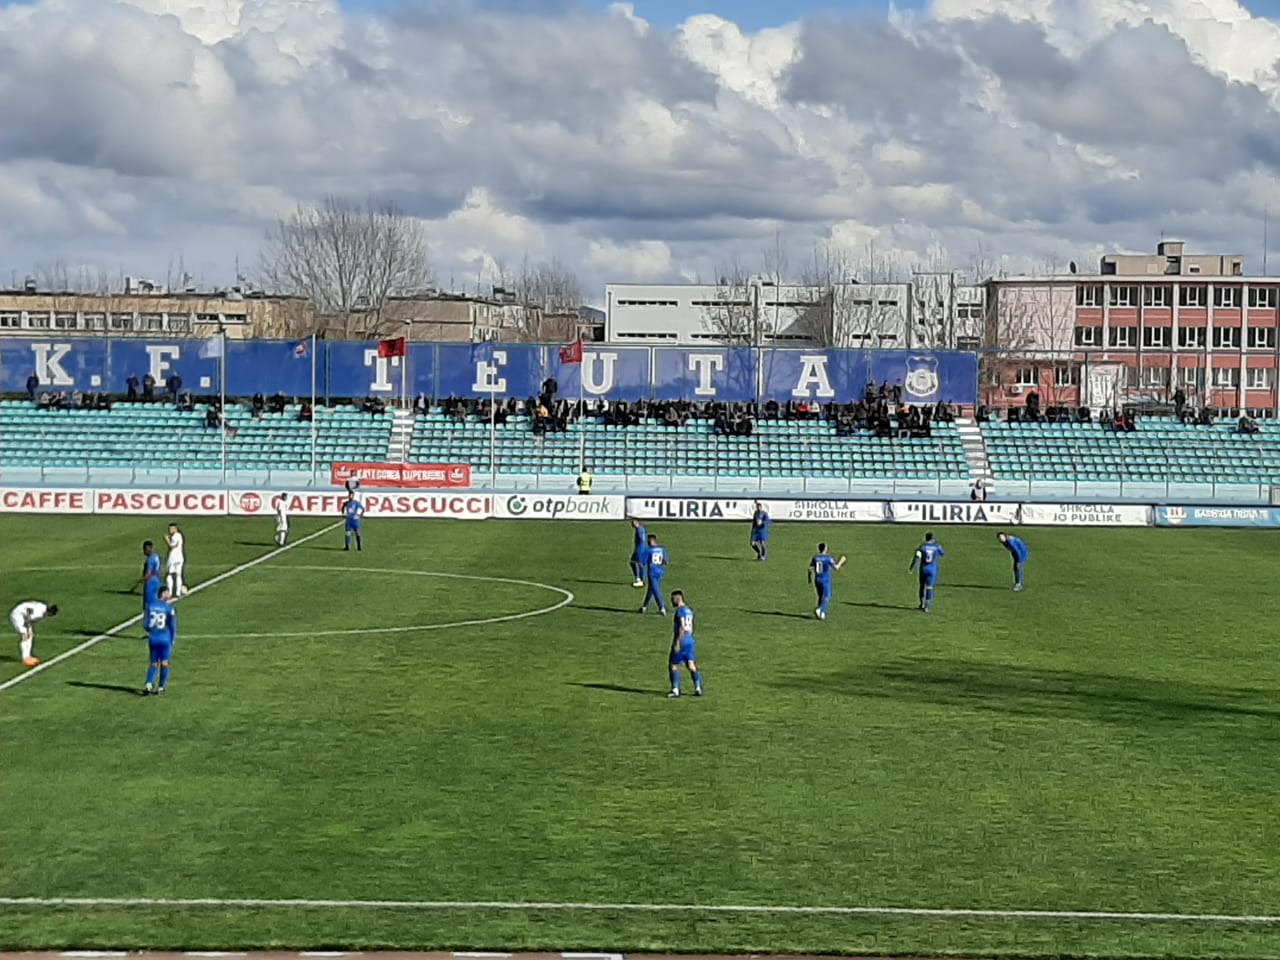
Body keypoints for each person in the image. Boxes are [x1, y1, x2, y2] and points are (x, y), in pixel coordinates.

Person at [666, 590, 703, 699]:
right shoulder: (689, 610)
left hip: (682, 640)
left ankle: (675, 689)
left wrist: (678, 642)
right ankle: (698, 687)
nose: (671, 601)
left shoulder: (680, 611)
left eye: (673, 599)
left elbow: (682, 627)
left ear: (678, 598)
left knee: (673, 665)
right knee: (691, 665)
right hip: (690, 640)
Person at [142, 585, 177, 696]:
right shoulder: (169, 609)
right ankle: (161, 686)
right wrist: (172, 639)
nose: (169, 595)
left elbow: (146, 625)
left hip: (153, 638)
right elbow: (172, 626)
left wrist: (151, 630)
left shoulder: (150, 606)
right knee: (165, 663)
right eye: (168, 593)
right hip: (165, 639)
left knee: (153, 663)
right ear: (164, 594)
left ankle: (148, 684)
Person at [9, 600, 58, 668]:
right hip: (17, 616)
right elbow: (29, 618)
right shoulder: (39, 613)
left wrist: (30, 629)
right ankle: (25, 658)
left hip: (24, 616)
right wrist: (28, 628)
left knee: (30, 635)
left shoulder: (43, 606)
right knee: (25, 635)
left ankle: (28, 656)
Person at [808, 542, 846, 620]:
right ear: (825, 548)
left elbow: (810, 569)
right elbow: (836, 567)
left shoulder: (815, 557)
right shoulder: (828, 558)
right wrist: (841, 561)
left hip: (817, 579)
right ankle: (821, 610)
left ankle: (821, 614)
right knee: (827, 596)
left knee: (820, 597)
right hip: (825, 580)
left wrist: (809, 578)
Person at [909, 532, 946, 613]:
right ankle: (927, 606)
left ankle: (921, 603)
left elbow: (917, 558)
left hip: (923, 569)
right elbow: (943, 553)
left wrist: (912, 567)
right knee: (929, 588)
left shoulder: (922, 547)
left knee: (922, 586)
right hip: (932, 570)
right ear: (932, 538)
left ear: (926, 538)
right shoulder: (936, 547)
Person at [639, 533, 669, 615]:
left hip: (652, 573)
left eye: (648, 541)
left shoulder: (648, 551)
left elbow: (642, 563)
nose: (647, 543)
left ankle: (662, 607)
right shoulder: (662, 549)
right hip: (660, 572)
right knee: (651, 589)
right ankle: (644, 607)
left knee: (656, 590)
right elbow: (666, 561)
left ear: (652, 541)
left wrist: (641, 577)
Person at [165, 523, 187, 597]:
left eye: (171, 529)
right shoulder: (179, 536)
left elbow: (172, 546)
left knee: (169, 574)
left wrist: (167, 539)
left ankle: (170, 592)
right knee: (178, 575)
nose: (170, 530)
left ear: (175, 529)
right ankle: (177, 592)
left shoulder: (175, 536)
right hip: (180, 557)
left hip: (173, 558)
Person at [628, 518, 647, 588]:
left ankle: (641, 580)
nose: (631, 524)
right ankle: (639, 578)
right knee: (632, 562)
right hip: (638, 549)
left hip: (640, 550)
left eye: (633, 522)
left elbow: (642, 538)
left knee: (640, 564)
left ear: (637, 522)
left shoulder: (639, 529)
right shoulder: (640, 529)